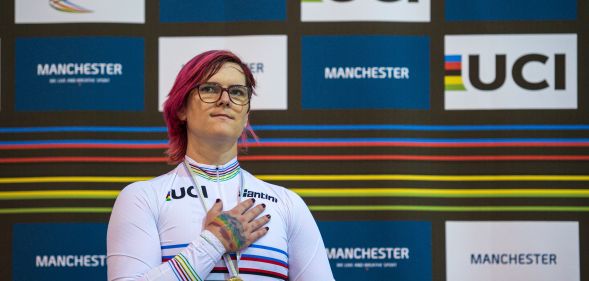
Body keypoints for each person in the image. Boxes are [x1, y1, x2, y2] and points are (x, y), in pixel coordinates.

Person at [107, 50, 334, 281]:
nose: (225, 99)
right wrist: (214, 241)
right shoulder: (143, 197)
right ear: (181, 109)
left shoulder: (288, 204)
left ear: (246, 116)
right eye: (209, 89)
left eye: (237, 92)